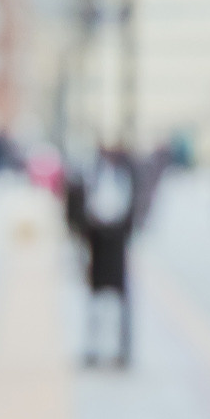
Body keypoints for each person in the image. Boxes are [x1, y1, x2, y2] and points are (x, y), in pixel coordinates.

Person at [78, 145, 143, 368]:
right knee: (96, 299)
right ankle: (94, 348)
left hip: (116, 244)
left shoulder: (125, 173)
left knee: (118, 301)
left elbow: (134, 206)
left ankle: (120, 350)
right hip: (98, 243)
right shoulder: (94, 172)